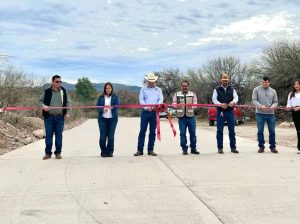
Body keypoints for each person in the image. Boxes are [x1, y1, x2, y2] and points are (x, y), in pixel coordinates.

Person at [39, 75, 71, 160]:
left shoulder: (63, 91)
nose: (59, 83)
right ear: (52, 82)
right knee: (49, 135)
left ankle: (58, 153)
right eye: (57, 81)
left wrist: (68, 113)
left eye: (60, 81)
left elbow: (68, 103)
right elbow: (40, 101)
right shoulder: (47, 91)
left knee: (59, 135)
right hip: (48, 117)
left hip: (59, 117)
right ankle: (48, 153)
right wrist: (43, 106)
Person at [134, 72, 163, 156]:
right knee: (142, 131)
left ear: (155, 81)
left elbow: (160, 99)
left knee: (152, 132)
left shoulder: (158, 90)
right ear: (147, 81)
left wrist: (155, 106)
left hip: (155, 112)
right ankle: (140, 150)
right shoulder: (143, 89)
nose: (151, 82)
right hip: (145, 112)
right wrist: (146, 107)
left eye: (152, 81)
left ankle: (150, 150)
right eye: (149, 81)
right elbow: (141, 99)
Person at [212, 73, 239, 154]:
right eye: (223, 80)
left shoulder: (232, 89)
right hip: (220, 111)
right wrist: (220, 104)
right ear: (221, 80)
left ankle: (233, 148)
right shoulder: (216, 89)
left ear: (228, 80)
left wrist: (233, 102)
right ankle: (220, 148)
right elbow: (214, 99)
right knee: (219, 130)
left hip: (230, 111)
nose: (225, 82)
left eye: (226, 80)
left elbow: (236, 97)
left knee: (232, 130)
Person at [252, 76, 278, 153]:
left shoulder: (273, 91)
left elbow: (275, 101)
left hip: (271, 114)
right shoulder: (256, 89)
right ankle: (261, 147)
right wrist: (261, 106)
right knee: (260, 130)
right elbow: (254, 100)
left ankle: (272, 147)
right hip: (260, 113)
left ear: (269, 82)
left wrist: (272, 107)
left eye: (266, 82)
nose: (264, 83)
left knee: (272, 131)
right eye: (263, 82)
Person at [172, 80, 199, 155]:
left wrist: (191, 107)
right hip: (181, 117)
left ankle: (193, 148)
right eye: (183, 86)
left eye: (186, 86)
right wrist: (176, 105)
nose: (184, 87)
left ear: (188, 86)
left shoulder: (192, 94)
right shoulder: (176, 94)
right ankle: (184, 149)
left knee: (193, 133)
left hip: (191, 117)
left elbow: (195, 103)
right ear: (181, 87)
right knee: (182, 133)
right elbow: (173, 103)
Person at [96, 82, 119, 157]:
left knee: (111, 137)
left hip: (113, 119)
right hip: (102, 119)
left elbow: (117, 105)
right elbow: (97, 107)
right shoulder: (101, 97)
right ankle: (103, 152)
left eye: (109, 88)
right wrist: (102, 109)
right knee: (103, 137)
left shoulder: (115, 96)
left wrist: (113, 107)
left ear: (111, 89)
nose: (108, 89)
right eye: (106, 88)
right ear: (104, 89)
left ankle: (110, 152)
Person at [286, 79, 300, 154]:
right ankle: (299, 147)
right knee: (298, 130)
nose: (296, 85)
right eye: (295, 84)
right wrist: (288, 107)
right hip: (295, 113)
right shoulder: (291, 94)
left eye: (297, 84)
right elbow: (289, 103)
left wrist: (299, 107)